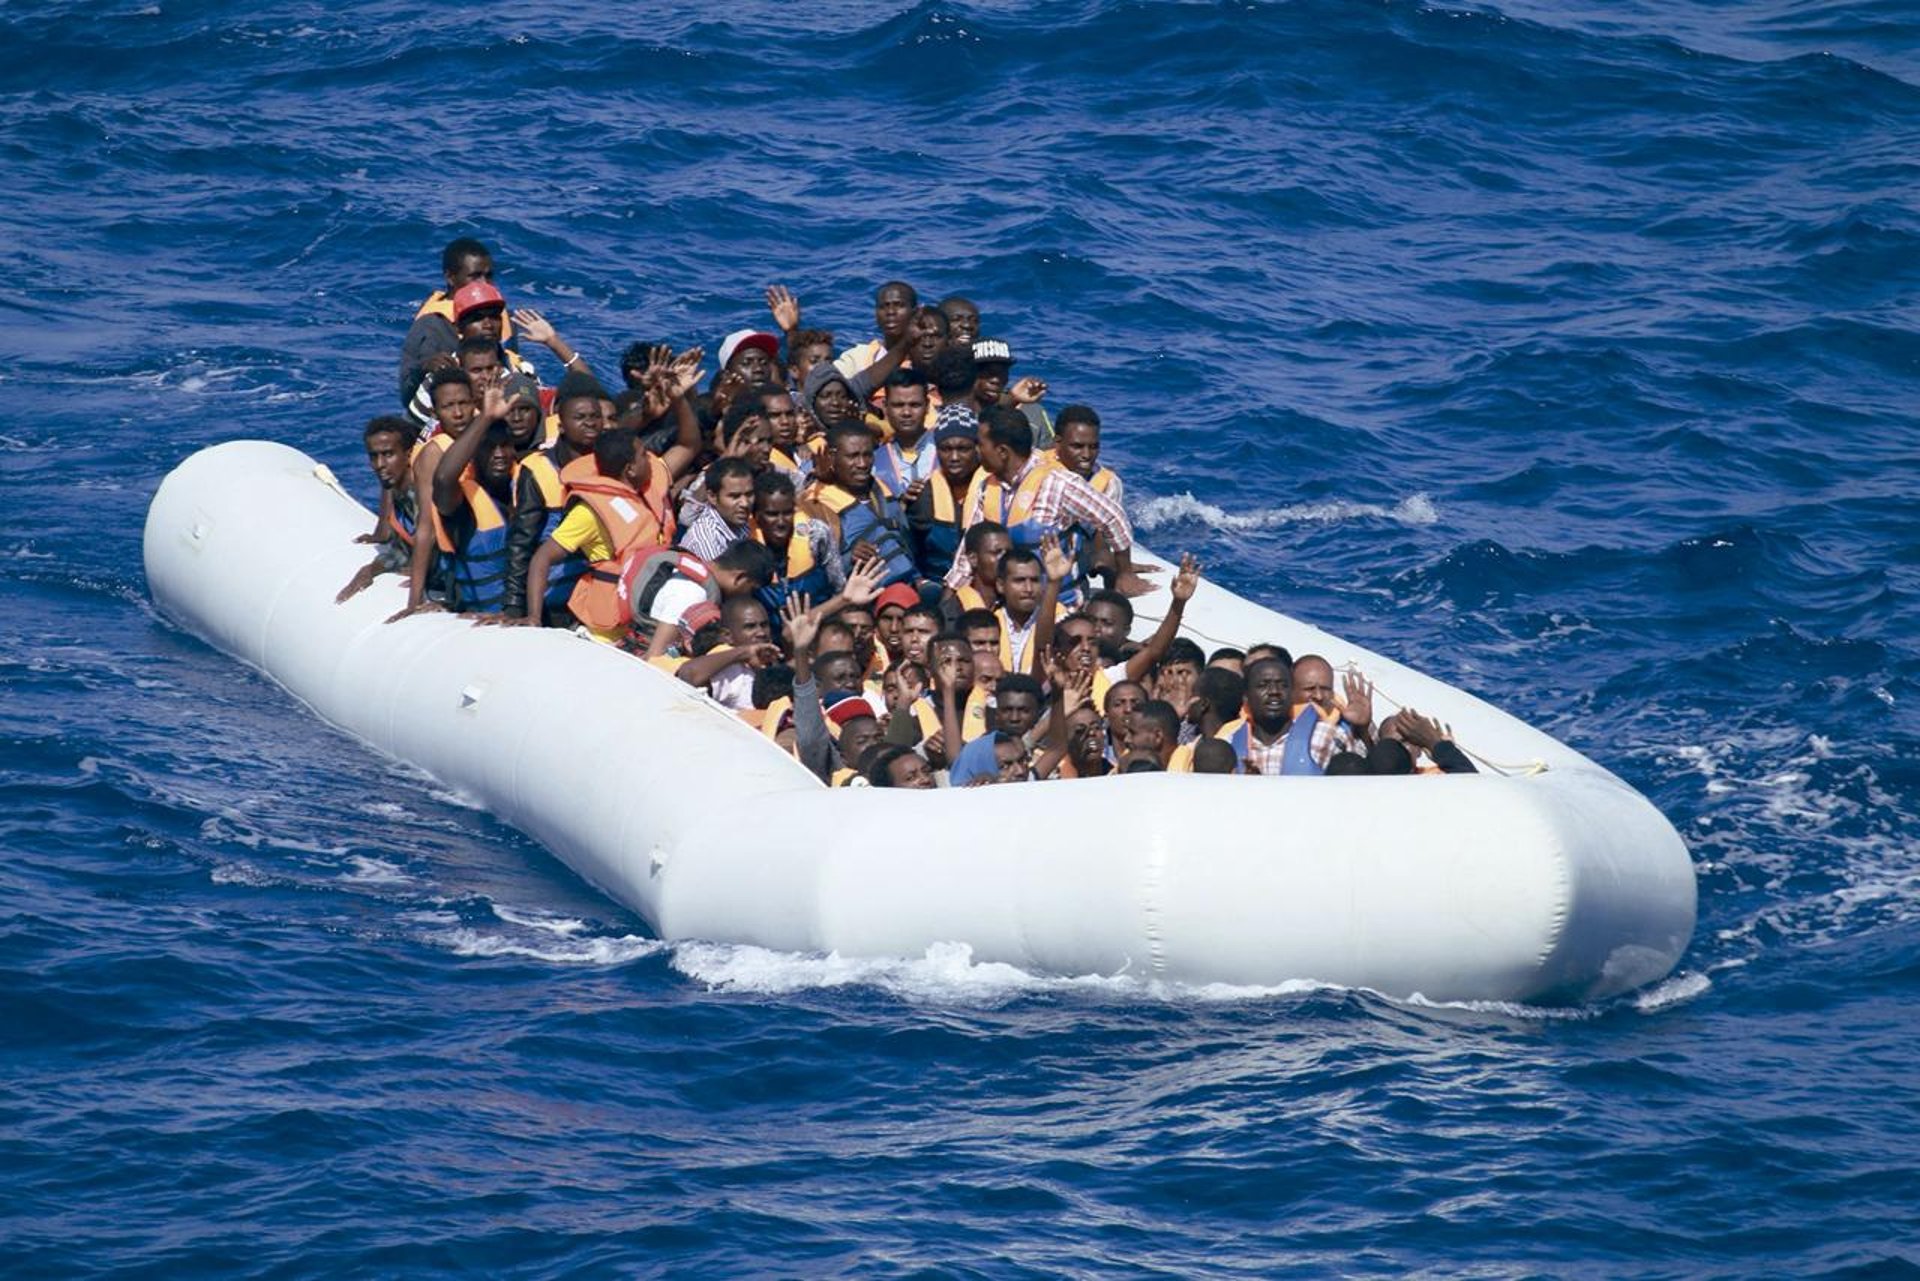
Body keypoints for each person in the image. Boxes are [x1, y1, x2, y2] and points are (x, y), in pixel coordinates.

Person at [950, 406, 1149, 604]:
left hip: (1059, 604)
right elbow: (968, 551)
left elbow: (1113, 517)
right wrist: (950, 597)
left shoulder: (1058, 483)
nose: (976, 450)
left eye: (980, 444)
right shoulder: (987, 486)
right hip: (1008, 603)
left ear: (1002, 451)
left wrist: (1125, 573)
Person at [524, 427, 675, 643]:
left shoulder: (645, 494)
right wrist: (534, 617)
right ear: (630, 469)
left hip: (647, 621)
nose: (650, 460)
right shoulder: (589, 512)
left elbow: (689, 446)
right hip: (607, 635)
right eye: (644, 455)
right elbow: (542, 557)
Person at [503, 373, 608, 623]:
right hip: (550, 599)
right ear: (561, 426)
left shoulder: (608, 464)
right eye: (580, 418)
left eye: (595, 417)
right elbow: (521, 546)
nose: (589, 423)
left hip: (594, 595)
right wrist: (515, 609)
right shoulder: (537, 470)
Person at [426, 383, 521, 614]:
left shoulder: (525, 487)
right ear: (474, 453)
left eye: (505, 446)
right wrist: (485, 417)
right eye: (489, 447)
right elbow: (443, 478)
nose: (499, 454)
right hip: (482, 619)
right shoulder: (463, 504)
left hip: (526, 614)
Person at [804, 421, 919, 587]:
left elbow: (908, 548)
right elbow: (810, 573)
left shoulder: (885, 494)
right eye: (852, 456)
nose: (862, 464)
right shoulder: (815, 504)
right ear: (832, 456)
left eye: (867, 455)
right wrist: (848, 558)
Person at [398, 237, 504, 411]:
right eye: (475, 276)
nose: (484, 284)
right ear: (450, 277)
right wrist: (424, 369)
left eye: (489, 276)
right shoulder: (432, 326)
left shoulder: (498, 317)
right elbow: (407, 395)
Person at [337, 417, 422, 602]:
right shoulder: (400, 492)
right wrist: (370, 570)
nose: (379, 464)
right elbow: (401, 552)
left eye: (388, 454)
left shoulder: (424, 492)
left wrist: (426, 578)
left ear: (408, 455)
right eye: (373, 456)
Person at [905, 416, 979, 582]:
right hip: (936, 585)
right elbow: (908, 549)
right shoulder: (923, 496)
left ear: (977, 449)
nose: (954, 457)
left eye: (963, 449)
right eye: (946, 449)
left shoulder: (991, 489)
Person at [834, 281, 918, 379]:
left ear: (916, 312)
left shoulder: (929, 358)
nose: (890, 312)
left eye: (899, 305)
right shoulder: (857, 358)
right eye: (883, 306)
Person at [678, 456, 757, 560]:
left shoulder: (742, 525)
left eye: (749, 494)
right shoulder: (705, 540)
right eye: (734, 496)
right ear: (712, 497)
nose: (745, 503)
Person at [872, 370, 935, 495]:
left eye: (915, 405)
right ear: (885, 406)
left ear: (927, 405)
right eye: (898, 405)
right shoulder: (874, 461)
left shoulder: (945, 449)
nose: (906, 413)